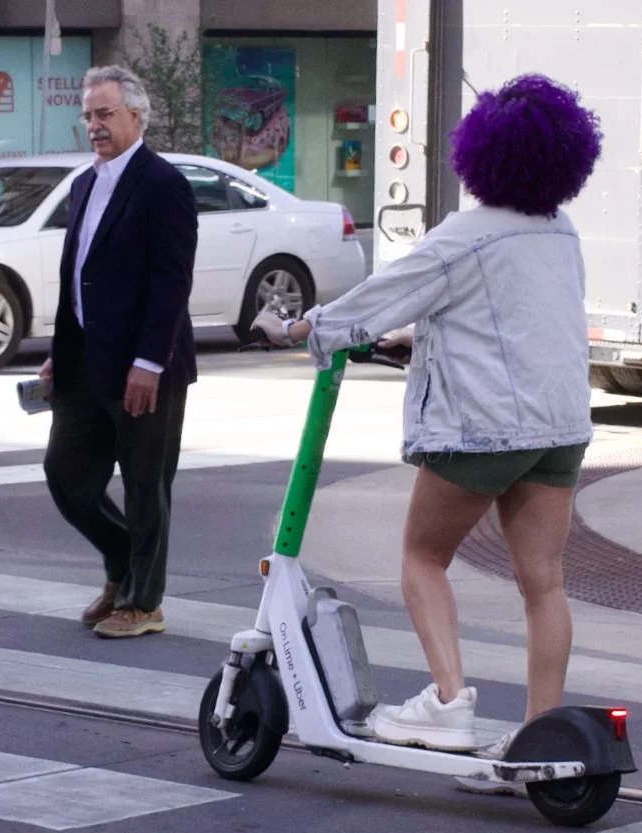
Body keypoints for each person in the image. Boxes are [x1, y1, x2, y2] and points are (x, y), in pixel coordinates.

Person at [253, 73, 603, 773]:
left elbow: (376, 299)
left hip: (484, 430)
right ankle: (541, 735)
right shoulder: (560, 231)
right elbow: (525, 319)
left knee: (423, 557)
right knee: (544, 582)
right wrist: (423, 339)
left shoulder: (465, 234)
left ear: (480, 153)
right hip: (561, 427)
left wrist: (294, 328)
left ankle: (447, 704)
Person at [40, 66, 199, 639]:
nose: (94, 125)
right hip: (85, 360)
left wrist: (149, 362)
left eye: (105, 114)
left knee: (144, 484)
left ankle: (143, 601)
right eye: (88, 115)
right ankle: (126, 563)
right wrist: (60, 350)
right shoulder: (85, 184)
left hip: (144, 366)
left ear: (136, 115)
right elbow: (77, 276)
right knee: (66, 475)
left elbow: (171, 282)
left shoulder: (162, 184)